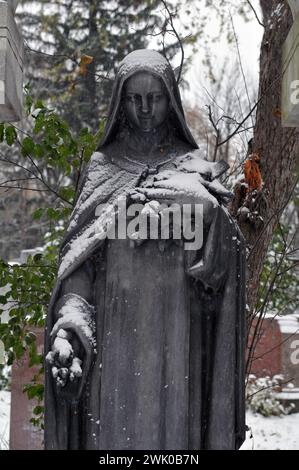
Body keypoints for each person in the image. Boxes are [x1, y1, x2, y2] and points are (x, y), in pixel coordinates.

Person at [45, 49, 246, 450]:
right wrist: (71, 321)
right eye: (134, 98)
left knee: (174, 440)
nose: (144, 109)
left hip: (177, 335)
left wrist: (206, 217)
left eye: (153, 97)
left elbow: (221, 262)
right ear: (121, 101)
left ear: (169, 100)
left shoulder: (192, 167)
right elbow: (82, 260)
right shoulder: (104, 167)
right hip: (118, 341)